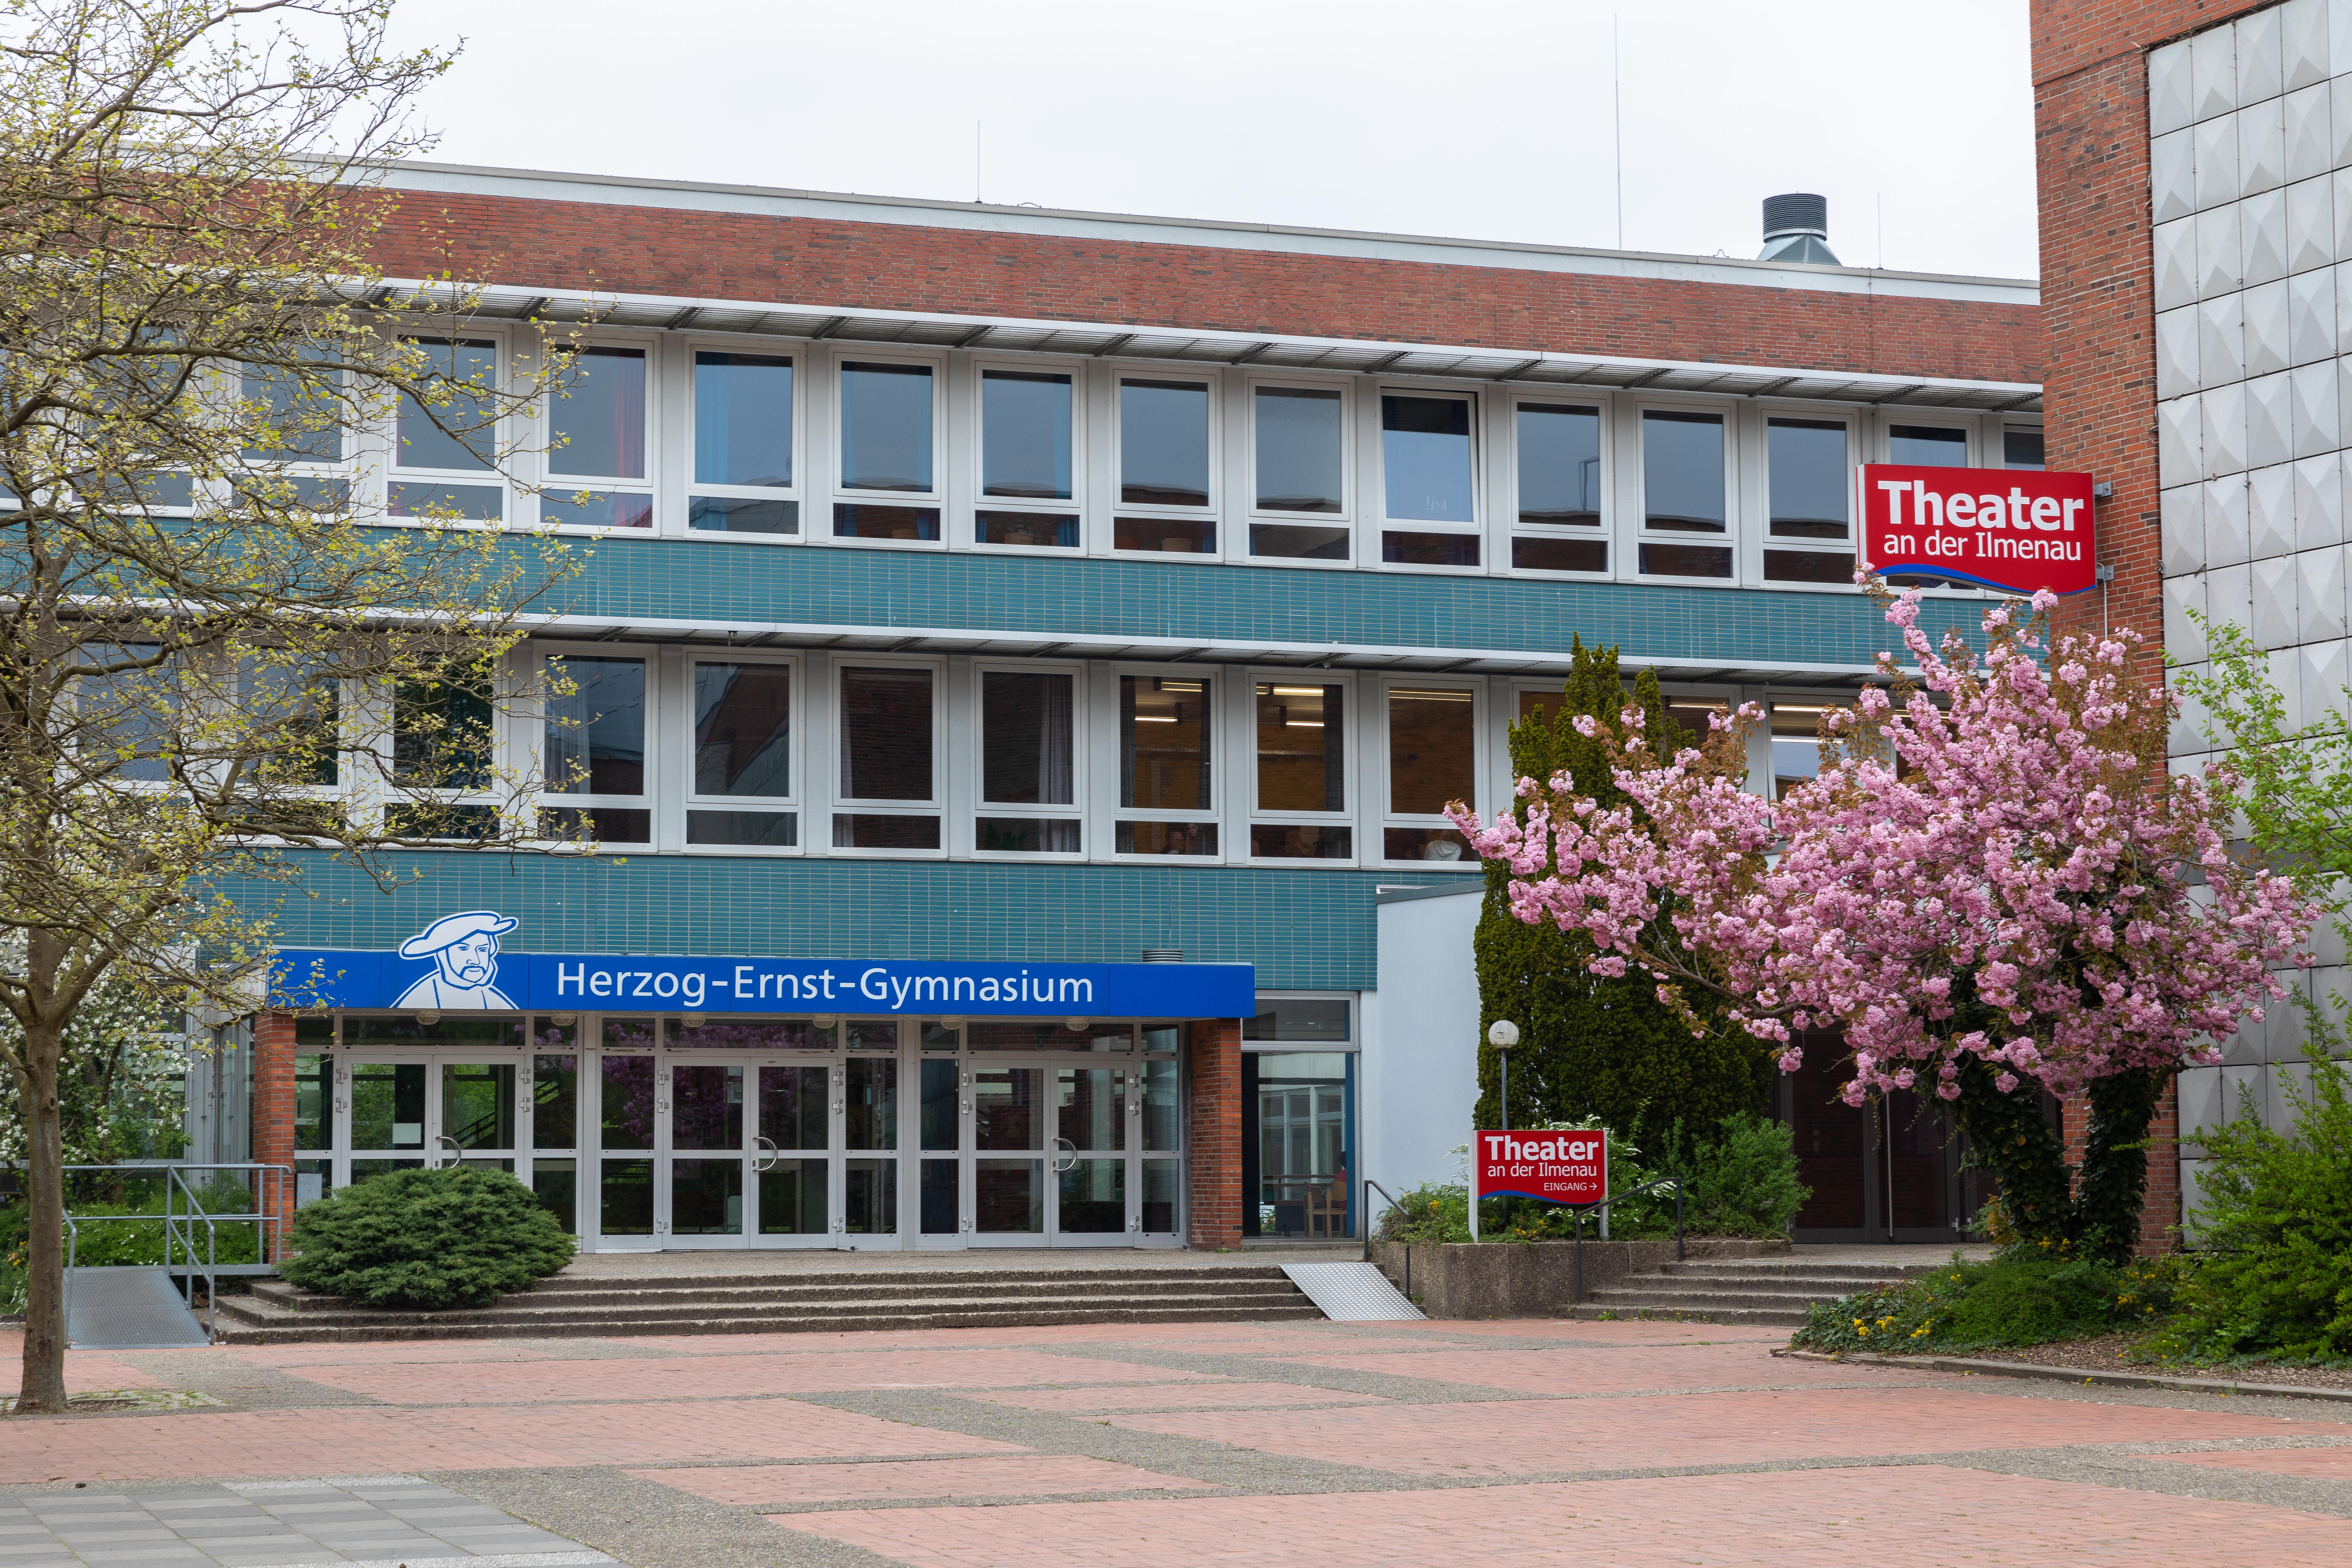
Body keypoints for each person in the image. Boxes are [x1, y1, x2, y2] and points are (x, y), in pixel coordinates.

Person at [393, 910, 519, 1010]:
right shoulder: (422, 996)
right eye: (464, 949)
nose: (476, 960)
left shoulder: (491, 996)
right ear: (442, 953)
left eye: (482, 950)